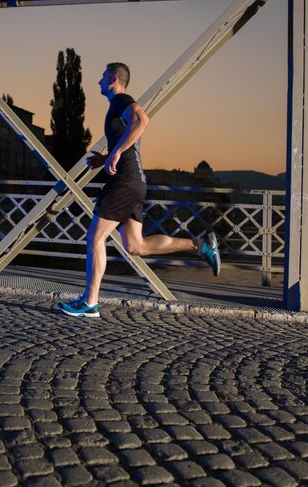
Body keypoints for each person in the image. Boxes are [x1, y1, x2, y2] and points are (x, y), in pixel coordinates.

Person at [58, 62, 221, 318]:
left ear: (113, 79)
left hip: (124, 181)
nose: (98, 81)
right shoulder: (118, 106)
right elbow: (129, 134)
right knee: (136, 246)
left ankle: (89, 302)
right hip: (134, 181)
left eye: (102, 77)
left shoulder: (121, 100)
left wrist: (116, 154)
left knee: (95, 237)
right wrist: (106, 157)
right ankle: (199, 245)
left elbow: (142, 120)